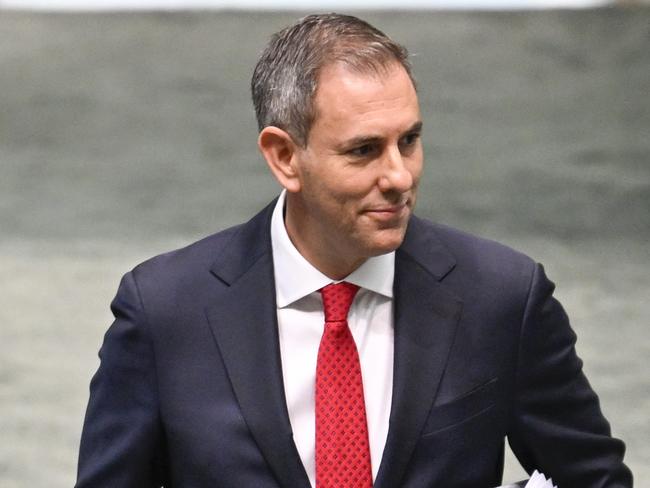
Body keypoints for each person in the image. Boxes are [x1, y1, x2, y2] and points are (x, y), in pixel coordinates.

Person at [75, 13, 633, 488]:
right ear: (284, 157)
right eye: (364, 150)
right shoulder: (165, 310)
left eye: (409, 141)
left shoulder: (502, 296)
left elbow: (592, 478)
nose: (399, 176)